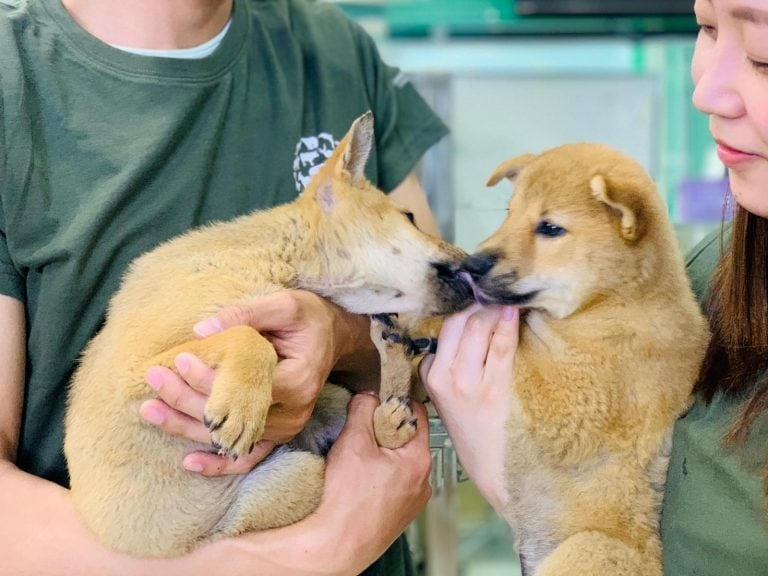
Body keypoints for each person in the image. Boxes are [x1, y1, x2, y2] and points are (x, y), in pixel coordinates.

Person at [0, 0, 449, 573]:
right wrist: (307, 557)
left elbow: (437, 342)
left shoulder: (336, 50)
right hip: (171, 521)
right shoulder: (13, 73)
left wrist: (336, 339)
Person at [420, 0, 768, 573]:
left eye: (763, 56)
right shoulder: (714, 278)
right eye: (704, 26)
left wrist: (523, 486)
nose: (706, 92)